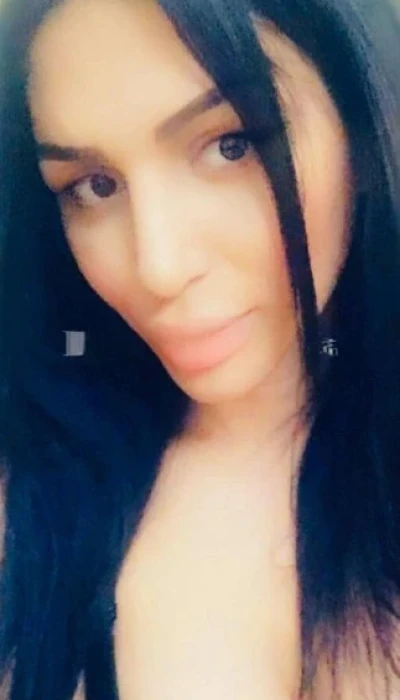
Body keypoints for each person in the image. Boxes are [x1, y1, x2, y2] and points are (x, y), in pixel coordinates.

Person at [0, 0, 400, 697]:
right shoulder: (35, 489)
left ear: (359, 124)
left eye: (230, 144)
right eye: (94, 187)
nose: (157, 267)